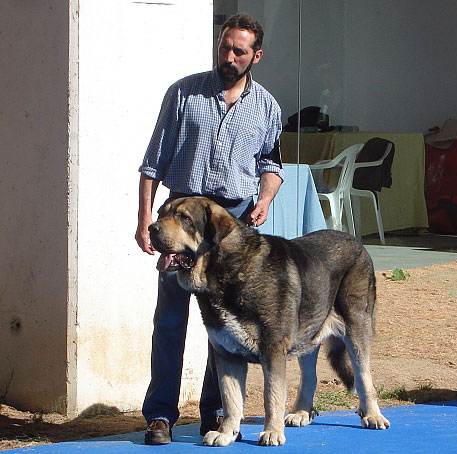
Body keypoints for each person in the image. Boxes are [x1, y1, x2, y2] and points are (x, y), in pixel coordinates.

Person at [135, 13, 284, 445]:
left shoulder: (268, 107)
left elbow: (272, 165)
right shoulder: (184, 93)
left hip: (228, 224)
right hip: (180, 217)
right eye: (225, 47)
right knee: (170, 320)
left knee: (223, 326)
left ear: (255, 56)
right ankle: (160, 416)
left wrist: (265, 198)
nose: (229, 57)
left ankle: (216, 415)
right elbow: (151, 164)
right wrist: (146, 221)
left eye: (240, 51)